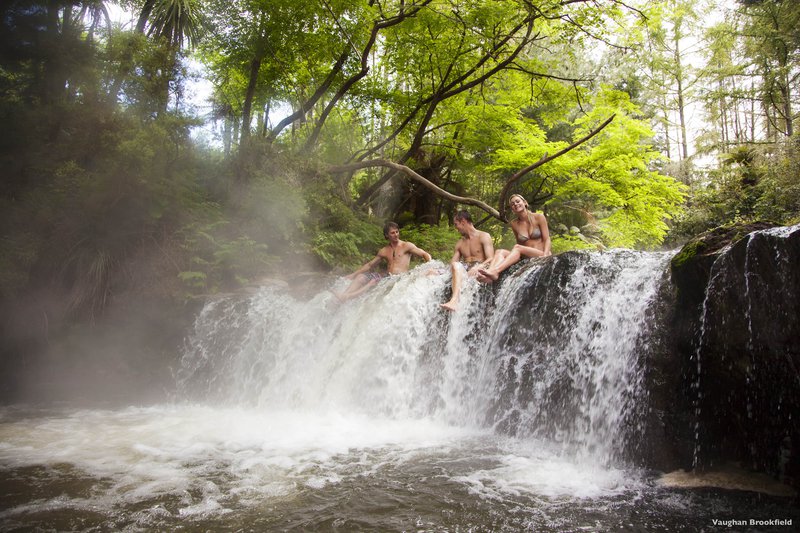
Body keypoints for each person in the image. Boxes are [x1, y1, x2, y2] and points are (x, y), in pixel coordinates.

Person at [333, 221, 432, 301]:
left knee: (371, 281)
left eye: (397, 232)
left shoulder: (406, 246)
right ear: (386, 235)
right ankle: (344, 295)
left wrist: (430, 264)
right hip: (387, 277)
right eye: (392, 233)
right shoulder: (384, 251)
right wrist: (353, 274)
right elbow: (370, 265)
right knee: (360, 277)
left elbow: (424, 254)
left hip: (401, 277)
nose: (396, 234)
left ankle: (347, 296)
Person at [478, 194, 551, 283]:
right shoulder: (514, 224)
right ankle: (489, 275)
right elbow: (520, 243)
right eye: (512, 204)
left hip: (540, 253)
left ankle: (495, 271)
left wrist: (546, 254)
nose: (515, 204)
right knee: (499, 252)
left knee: (517, 247)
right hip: (526, 256)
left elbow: (547, 238)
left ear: (525, 203)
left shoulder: (539, 217)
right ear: (512, 209)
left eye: (518, 201)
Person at [440, 210, 495, 311]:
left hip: (480, 270)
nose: (456, 228)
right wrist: (439, 271)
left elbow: (491, 258)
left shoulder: (483, 236)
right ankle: (454, 301)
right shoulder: (460, 243)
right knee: (454, 266)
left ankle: (454, 301)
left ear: (463, 221)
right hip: (466, 271)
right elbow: (453, 264)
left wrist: (479, 267)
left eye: (456, 224)